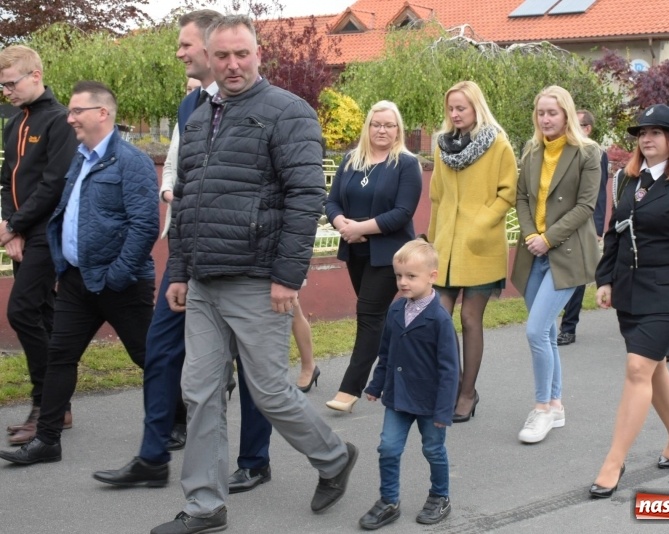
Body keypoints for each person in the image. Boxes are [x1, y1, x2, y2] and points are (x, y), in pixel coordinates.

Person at [151, 16, 357, 534]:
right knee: (200, 392)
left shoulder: (288, 112)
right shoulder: (199, 116)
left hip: (258, 279)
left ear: (258, 54)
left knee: (268, 391)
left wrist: (287, 275)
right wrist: (179, 270)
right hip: (203, 282)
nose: (233, 64)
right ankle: (205, 505)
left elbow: (305, 197)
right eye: (222, 56)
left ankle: (333, 457)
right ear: (209, 58)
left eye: (242, 54)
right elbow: (187, 199)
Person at [92, 10, 274, 495]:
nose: (179, 53)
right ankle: (153, 455)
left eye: (186, 45)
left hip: (241, 257)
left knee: (252, 366)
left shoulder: (265, 105)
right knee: (161, 349)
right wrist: (171, 192)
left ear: (211, 49)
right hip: (188, 253)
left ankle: (255, 460)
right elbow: (176, 165)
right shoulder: (191, 104)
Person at [0, 81, 160, 465]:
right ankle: (47, 440)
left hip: (120, 283)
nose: (69, 118)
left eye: (76, 111)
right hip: (76, 278)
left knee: (148, 356)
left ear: (102, 113)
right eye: (69, 111)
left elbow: (144, 226)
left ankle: (178, 417)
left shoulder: (132, 161)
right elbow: (65, 212)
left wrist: (117, 275)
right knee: (60, 356)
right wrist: (62, 260)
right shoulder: (80, 158)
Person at [590, 104, 669, 499]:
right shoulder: (629, 180)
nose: (646, 139)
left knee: (637, 368)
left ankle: (614, 461)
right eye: (642, 133)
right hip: (631, 290)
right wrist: (605, 278)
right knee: (653, 366)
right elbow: (615, 232)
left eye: (656, 132)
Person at [510, 86, 601, 444]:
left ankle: (542, 409)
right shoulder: (532, 150)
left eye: (552, 113)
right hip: (534, 253)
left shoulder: (587, 152)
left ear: (566, 114)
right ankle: (556, 404)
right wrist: (532, 234)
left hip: (567, 254)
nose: (546, 119)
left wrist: (548, 238)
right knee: (546, 332)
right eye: (541, 113)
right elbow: (521, 197)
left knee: (535, 331)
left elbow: (586, 206)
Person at [0, 45, 78, 445]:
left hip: (48, 234)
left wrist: (16, 226)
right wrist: (10, 226)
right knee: (44, 315)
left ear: (35, 75)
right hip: (23, 234)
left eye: (11, 83)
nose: (6, 92)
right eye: (2, 86)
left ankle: (43, 404)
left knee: (22, 311)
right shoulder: (14, 122)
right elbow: (6, 180)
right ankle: (56, 409)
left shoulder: (59, 120)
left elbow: (53, 184)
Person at [324, 100, 422, 413]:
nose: (382, 130)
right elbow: (332, 202)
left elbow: (403, 212)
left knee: (368, 314)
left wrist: (360, 228)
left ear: (398, 130)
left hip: (390, 254)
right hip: (355, 251)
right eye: (376, 124)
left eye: (389, 125)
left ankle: (349, 389)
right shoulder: (351, 160)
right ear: (368, 127)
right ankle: (400, 367)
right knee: (376, 317)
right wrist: (342, 224)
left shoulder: (406, 164)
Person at [428, 80, 517, 423]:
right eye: (450, 108)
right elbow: (437, 197)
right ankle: (454, 384)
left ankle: (467, 393)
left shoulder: (498, 143)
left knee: (469, 318)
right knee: (438, 317)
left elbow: (507, 193)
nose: (454, 114)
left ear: (476, 107)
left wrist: (481, 223)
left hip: (481, 246)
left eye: (461, 108)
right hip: (446, 247)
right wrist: (431, 242)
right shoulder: (442, 146)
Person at [358, 239, 459, 530]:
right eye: (399, 275)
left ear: (432, 276)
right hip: (398, 397)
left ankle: (440, 496)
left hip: (429, 402)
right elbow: (386, 352)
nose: (403, 282)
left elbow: (450, 370)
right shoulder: (395, 310)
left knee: (433, 450)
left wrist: (444, 410)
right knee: (388, 448)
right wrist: (376, 385)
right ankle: (389, 501)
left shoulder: (439, 319)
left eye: (411, 276)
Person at [557, 108, 609, 346]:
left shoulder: (596, 153)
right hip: (557, 224)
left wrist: (597, 227)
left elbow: (598, 193)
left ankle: (569, 327)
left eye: (574, 125)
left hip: (583, 223)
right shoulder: (560, 149)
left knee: (576, 276)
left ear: (587, 129)